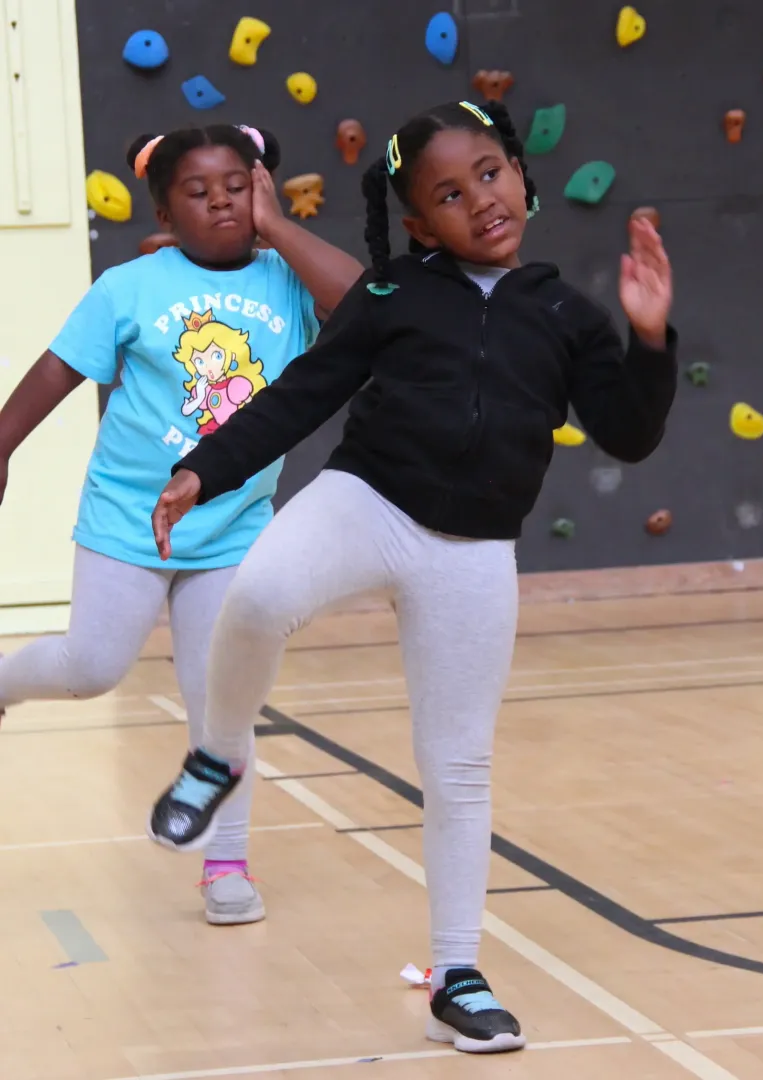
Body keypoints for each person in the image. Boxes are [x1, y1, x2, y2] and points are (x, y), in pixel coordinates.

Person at [146, 99, 677, 1051]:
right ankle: (219, 753)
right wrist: (205, 467)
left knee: (458, 768)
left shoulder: (565, 313)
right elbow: (301, 394)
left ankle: (457, 973)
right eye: (446, 194)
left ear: (519, 172)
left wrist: (646, 341)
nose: (478, 201)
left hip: (474, 549)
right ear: (419, 223)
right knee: (258, 595)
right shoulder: (391, 297)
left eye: (488, 173)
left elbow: (629, 436)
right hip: (369, 502)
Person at [0, 121, 364, 926]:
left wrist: (278, 226)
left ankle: (225, 864)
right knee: (92, 666)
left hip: (230, 527)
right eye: (198, 194)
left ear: (262, 187)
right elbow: (58, 369)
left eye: (237, 187)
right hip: (127, 519)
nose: (222, 204)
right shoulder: (130, 287)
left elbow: (362, 302)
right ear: (166, 208)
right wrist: (2, 446)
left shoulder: (290, 279)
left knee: (221, 703)